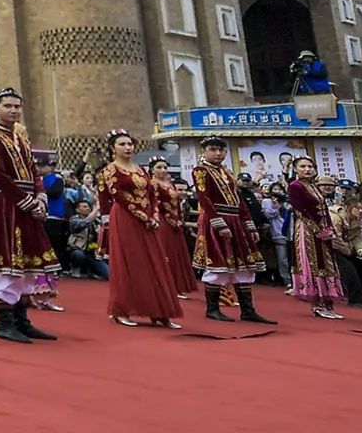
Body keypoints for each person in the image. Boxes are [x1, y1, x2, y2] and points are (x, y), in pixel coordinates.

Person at [0, 88, 60, 343]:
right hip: (8, 205)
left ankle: (22, 321)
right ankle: (4, 323)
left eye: (16, 106)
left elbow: (34, 171)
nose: (13, 110)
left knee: (27, 266)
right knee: (8, 264)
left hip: (28, 203)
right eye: (7, 106)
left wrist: (41, 196)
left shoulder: (20, 138)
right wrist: (27, 202)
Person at [99, 131, 181, 328]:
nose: (128, 147)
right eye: (122, 144)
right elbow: (118, 195)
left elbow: (153, 194)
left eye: (130, 144)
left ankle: (160, 311)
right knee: (129, 261)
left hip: (147, 219)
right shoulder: (110, 170)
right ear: (113, 148)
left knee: (154, 261)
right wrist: (143, 216)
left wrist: (153, 215)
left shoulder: (140, 169)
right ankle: (122, 310)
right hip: (125, 218)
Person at [191, 137, 275, 324]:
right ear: (204, 151)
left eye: (221, 150)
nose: (218, 153)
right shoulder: (201, 171)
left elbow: (240, 200)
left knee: (244, 264)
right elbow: (204, 199)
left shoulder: (227, 172)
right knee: (218, 262)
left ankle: (248, 310)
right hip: (217, 218)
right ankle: (212, 309)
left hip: (235, 220)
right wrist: (218, 223)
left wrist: (248, 224)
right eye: (213, 149)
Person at [286, 166, 347, 320]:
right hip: (307, 227)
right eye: (302, 167)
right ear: (295, 169)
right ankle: (317, 303)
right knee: (313, 261)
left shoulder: (314, 186)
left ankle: (327, 302)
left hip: (323, 227)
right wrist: (318, 229)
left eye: (310, 167)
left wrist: (329, 229)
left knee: (327, 262)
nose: (307, 170)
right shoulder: (295, 186)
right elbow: (300, 210)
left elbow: (324, 210)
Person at [148, 159, 197, 300]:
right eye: (159, 167)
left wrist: (178, 219)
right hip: (162, 221)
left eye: (165, 167)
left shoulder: (169, 184)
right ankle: (165, 287)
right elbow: (154, 204)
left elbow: (176, 205)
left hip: (174, 221)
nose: (163, 170)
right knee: (166, 252)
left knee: (177, 253)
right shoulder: (153, 185)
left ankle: (176, 286)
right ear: (152, 170)